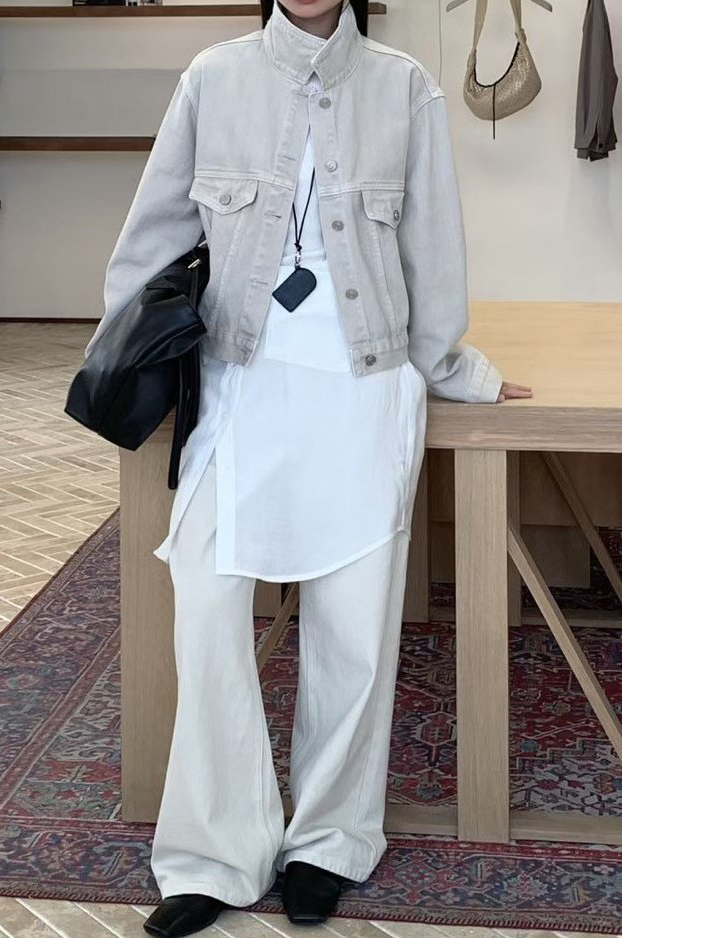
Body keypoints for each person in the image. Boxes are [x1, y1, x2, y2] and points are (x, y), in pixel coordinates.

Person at [86, 3, 532, 936]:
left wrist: (458, 372)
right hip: (239, 384)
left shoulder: (405, 88)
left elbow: (433, 253)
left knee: (353, 630)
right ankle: (214, 853)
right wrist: (125, 360)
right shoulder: (213, 77)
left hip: (362, 389)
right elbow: (151, 236)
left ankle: (328, 841)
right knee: (208, 611)